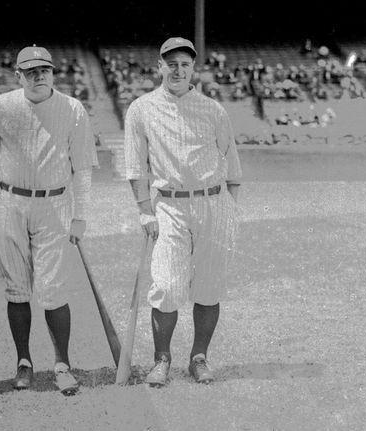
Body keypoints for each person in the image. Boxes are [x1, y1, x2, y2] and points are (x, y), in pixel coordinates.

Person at [0, 45, 96, 396]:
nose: (39, 77)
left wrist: (80, 217)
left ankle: (62, 364)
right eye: (31, 72)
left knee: (52, 290)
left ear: (53, 73)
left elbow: (82, 169)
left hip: (55, 203)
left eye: (44, 70)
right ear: (18, 76)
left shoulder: (72, 109)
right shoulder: (1, 106)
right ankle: (24, 362)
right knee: (17, 288)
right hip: (9, 201)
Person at [123, 37, 242, 386]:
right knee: (167, 285)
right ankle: (162, 360)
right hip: (169, 206)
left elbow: (232, 166)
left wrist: (229, 210)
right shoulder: (141, 109)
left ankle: (199, 358)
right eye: (171, 63)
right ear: (159, 66)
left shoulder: (213, 109)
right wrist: (144, 211)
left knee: (209, 286)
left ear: (193, 69)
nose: (177, 70)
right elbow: (135, 167)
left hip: (213, 203)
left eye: (184, 65)